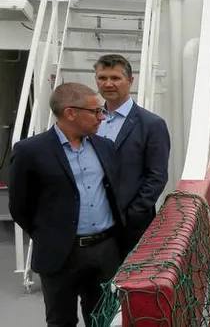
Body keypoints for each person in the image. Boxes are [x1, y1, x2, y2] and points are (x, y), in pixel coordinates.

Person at [9, 83, 126, 326]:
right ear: (70, 112)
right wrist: (50, 235)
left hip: (105, 251)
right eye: (95, 111)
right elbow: (20, 206)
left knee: (104, 319)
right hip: (60, 253)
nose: (102, 117)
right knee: (61, 320)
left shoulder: (105, 146)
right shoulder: (30, 151)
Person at [94, 54, 170, 256]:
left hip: (131, 226)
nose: (108, 84)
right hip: (92, 225)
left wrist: (133, 214)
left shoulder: (152, 125)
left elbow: (157, 176)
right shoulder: (89, 121)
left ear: (130, 81)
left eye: (116, 78)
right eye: (102, 78)